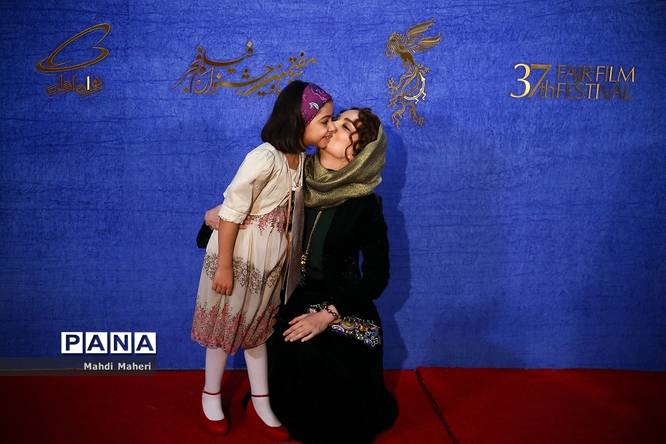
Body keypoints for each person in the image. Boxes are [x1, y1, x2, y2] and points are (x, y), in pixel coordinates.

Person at [191, 80, 335, 439]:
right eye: (324, 121)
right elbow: (231, 213)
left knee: (257, 330)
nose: (330, 128)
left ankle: (260, 401)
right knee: (224, 327)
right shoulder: (265, 158)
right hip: (240, 259)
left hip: (268, 267)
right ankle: (210, 394)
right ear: (299, 119)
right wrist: (225, 266)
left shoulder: (299, 161)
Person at [268, 108, 399, 443]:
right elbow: (249, 208)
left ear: (357, 153)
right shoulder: (292, 176)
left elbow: (377, 276)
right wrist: (220, 216)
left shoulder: (365, 204)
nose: (332, 127)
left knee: (332, 363)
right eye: (334, 120)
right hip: (293, 296)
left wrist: (328, 314)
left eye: (345, 127)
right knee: (293, 346)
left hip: (344, 302)